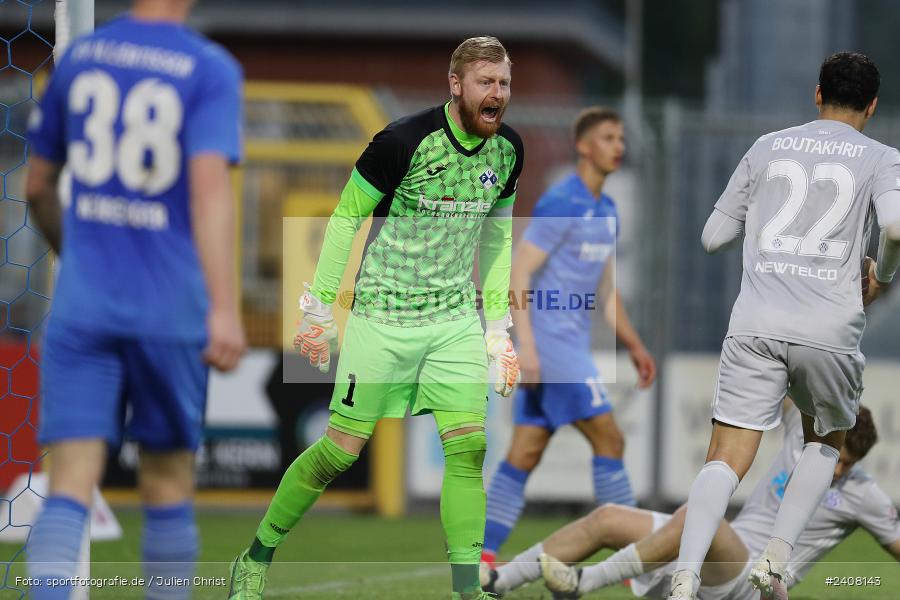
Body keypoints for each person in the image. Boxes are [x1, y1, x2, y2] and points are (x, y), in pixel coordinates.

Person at [228, 36, 524, 600]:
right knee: (339, 452)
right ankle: (256, 556)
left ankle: (467, 590)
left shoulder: (508, 150)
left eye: (504, 82)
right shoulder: (402, 142)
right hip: (382, 317)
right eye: (486, 82)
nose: (498, 93)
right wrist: (318, 310)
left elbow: (498, 236)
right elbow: (345, 219)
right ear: (456, 85)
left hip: (452, 322)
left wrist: (497, 330)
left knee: (468, 449)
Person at [24, 1, 245, 598]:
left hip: (82, 308)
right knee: (167, 486)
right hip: (168, 310)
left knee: (68, 485)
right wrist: (225, 307)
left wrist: (78, 258)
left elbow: (37, 185)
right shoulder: (209, 68)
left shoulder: (80, 58)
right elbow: (209, 192)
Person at [667, 52, 900, 599]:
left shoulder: (767, 146)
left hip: (757, 322)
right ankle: (775, 559)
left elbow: (712, 238)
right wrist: (881, 275)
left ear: (817, 94)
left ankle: (684, 576)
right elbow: (893, 227)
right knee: (827, 440)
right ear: (871, 106)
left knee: (726, 457)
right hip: (829, 327)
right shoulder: (881, 157)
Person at [483, 403, 899, 600]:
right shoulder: (801, 433)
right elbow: (794, 370)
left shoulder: (864, 495)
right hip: (713, 556)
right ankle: (498, 582)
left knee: (701, 517)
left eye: (846, 464)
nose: (835, 470)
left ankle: (584, 583)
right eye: (835, 457)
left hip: (753, 585)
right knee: (607, 518)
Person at [481, 107, 656, 567]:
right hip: (552, 348)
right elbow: (519, 273)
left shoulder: (608, 210)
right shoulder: (561, 202)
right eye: (608, 138)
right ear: (583, 146)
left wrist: (635, 345)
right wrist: (527, 348)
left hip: (567, 349)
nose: (618, 146)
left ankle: (482, 555)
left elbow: (607, 292)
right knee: (610, 440)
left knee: (525, 452)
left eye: (621, 138)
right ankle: (633, 560)